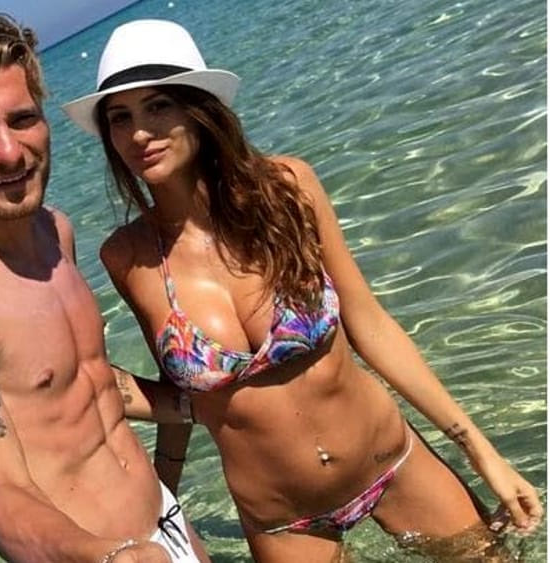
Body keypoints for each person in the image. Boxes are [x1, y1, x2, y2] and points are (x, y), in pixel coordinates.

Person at [62, 19, 543, 562]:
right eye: (120, 118)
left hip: (393, 465)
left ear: (199, 109)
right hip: (282, 518)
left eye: (157, 107)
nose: (138, 134)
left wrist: (482, 454)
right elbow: (184, 390)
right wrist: (164, 496)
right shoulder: (128, 256)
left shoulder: (287, 191)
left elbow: (370, 325)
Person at [0, 12, 211, 563]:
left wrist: (205, 403)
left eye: (22, 119)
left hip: (164, 518)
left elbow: (80, 383)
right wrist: (110, 557)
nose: (10, 151)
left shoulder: (54, 230)